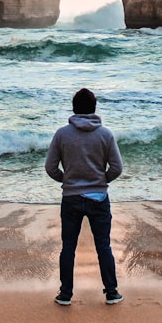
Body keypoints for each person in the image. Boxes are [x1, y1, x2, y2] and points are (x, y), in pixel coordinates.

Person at [44, 87, 123, 306]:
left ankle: (65, 294)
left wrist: (67, 180)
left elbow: (50, 167)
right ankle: (111, 291)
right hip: (98, 197)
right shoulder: (105, 134)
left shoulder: (62, 134)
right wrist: (101, 180)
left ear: (74, 109)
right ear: (94, 108)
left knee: (68, 246)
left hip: (71, 197)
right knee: (103, 246)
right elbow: (117, 167)